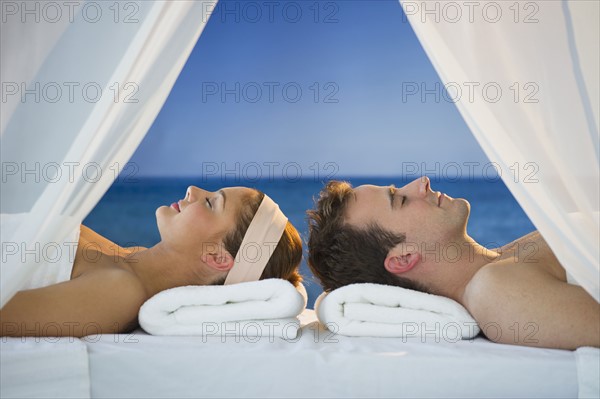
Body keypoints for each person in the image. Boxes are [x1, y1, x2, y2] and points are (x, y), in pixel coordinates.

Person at [307, 176, 599, 350]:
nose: (421, 183)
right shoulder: (496, 294)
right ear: (404, 257)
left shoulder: (504, 265)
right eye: (401, 200)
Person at [1, 186, 302, 337]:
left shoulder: (120, 293)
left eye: (211, 203)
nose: (193, 191)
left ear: (217, 257)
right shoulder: (125, 260)